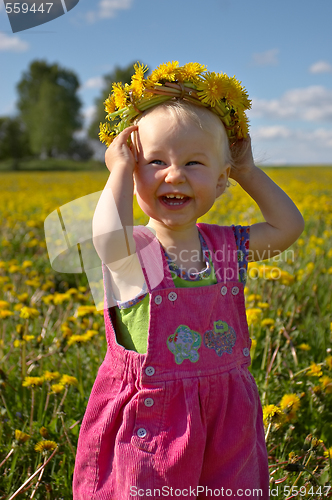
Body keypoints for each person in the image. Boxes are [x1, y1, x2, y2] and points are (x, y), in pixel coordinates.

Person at [72, 62, 304, 499]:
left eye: (193, 163)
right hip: (155, 422)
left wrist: (247, 170)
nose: (174, 174)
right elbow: (106, 238)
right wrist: (117, 170)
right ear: (134, 173)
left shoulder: (225, 247)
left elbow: (287, 226)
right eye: (154, 161)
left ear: (220, 182)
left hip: (227, 417)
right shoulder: (134, 250)